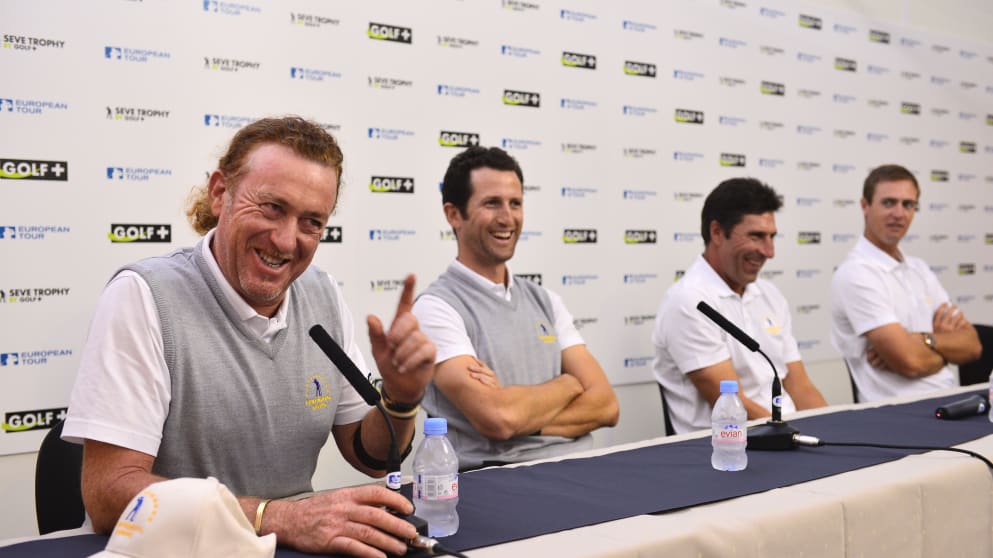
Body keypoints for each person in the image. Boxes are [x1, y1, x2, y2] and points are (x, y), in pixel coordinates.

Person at [63, 116, 436, 557]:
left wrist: (401, 398)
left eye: (311, 222)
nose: (285, 240)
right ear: (221, 193)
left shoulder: (322, 294)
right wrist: (278, 518)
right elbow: (109, 495)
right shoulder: (144, 296)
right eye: (272, 207)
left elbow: (367, 454)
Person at [411, 146, 619, 471]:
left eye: (515, 203)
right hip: (497, 485)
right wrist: (567, 385)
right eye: (492, 203)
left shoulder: (546, 301)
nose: (507, 218)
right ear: (454, 215)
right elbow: (499, 419)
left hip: (580, 470)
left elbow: (606, 406)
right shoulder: (436, 309)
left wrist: (523, 414)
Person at [652, 178, 827, 434]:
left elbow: (800, 386)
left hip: (785, 438)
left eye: (772, 237)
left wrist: (832, 432)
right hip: (729, 452)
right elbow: (734, 406)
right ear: (717, 233)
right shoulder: (689, 301)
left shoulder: (769, 294)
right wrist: (801, 437)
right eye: (756, 236)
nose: (769, 251)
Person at [830, 164, 981, 402]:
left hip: (952, 401)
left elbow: (973, 346)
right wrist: (944, 352)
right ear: (864, 206)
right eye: (889, 202)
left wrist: (921, 340)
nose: (899, 214)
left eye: (908, 204)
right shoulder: (856, 273)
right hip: (896, 416)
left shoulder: (918, 268)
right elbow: (910, 362)